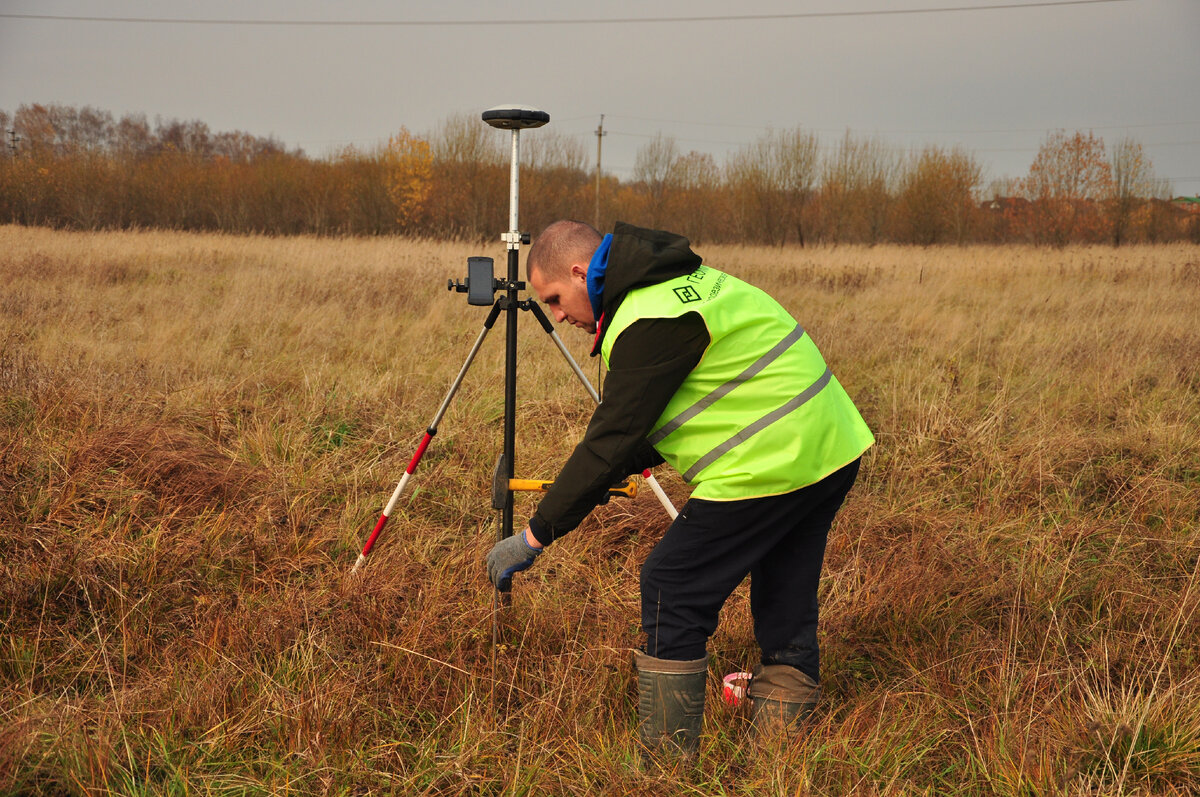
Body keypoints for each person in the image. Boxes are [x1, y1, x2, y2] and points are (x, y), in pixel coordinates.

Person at [486, 220, 873, 761]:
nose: (556, 316)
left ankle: (667, 760)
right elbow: (663, 422)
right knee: (785, 579)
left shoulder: (646, 318)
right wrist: (597, 479)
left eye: (554, 299)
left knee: (672, 585)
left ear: (579, 273)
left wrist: (533, 535)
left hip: (772, 458)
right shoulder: (675, 282)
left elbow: (614, 437)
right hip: (829, 445)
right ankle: (781, 750)